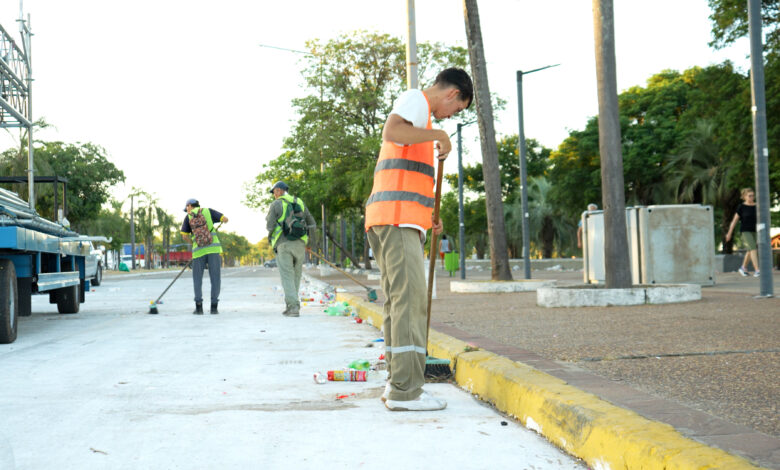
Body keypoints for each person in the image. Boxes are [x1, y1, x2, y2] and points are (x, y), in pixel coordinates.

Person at [365, 67, 473, 411]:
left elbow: (408, 178)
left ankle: (396, 382)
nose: (450, 116)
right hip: (395, 221)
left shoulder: (421, 123)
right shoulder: (417, 102)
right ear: (452, 94)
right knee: (409, 303)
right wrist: (439, 133)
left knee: (398, 304)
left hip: (394, 220)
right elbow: (392, 130)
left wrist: (428, 220)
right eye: (456, 109)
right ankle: (407, 392)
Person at [266, 181, 317, 317]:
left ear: (279, 190)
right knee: (296, 275)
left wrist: (270, 239)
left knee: (287, 276)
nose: (274, 195)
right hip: (300, 244)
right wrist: (310, 243)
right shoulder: (299, 202)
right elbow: (312, 223)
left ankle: (293, 307)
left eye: (274, 192)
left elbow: (270, 226)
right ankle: (293, 304)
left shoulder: (276, 204)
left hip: (283, 244)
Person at [181, 198, 228, 314]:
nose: (187, 210)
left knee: (197, 279)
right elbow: (225, 219)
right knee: (215, 278)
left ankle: (199, 308)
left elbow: (184, 236)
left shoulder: (188, 217)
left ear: (189, 206)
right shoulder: (208, 211)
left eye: (187, 208)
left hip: (198, 252)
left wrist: (194, 242)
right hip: (213, 249)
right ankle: (214, 307)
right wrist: (213, 228)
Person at [726, 188, 759, 277]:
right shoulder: (741, 207)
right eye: (749, 196)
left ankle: (743, 267)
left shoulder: (757, 206)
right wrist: (729, 233)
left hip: (755, 231)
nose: (752, 197)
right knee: (753, 248)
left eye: (753, 195)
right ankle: (757, 270)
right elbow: (734, 221)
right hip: (745, 231)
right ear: (744, 197)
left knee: (750, 250)